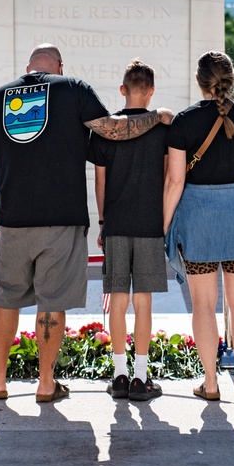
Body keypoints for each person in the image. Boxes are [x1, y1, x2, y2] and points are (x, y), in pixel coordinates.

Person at [0, 44, 172, 403]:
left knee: (5, 296)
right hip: (62, 217)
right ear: (59, 67)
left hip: (13, 217)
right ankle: (46, 383)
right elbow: (114, 129)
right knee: (51, 300)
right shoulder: (72, 89)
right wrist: (156, 116)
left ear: (29, 68)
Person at [164, 50, 234, 403]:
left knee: (202, 304)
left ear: (199, 81)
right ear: (232, 78)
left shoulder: (183, 122)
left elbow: (174, 182)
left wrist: (164, 225)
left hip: (198, 218)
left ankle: (210, 382)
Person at [88, 59, 168, 402]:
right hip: (150, 224)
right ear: (151, 92)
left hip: (117, 224)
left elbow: (100, 182)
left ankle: (119, 375)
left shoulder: (107, 130)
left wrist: (104, 222)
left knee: (117, 301)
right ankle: (140, 377)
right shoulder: (163, 130)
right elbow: (168, 179)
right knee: (144, 303)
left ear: (122, 90)